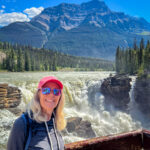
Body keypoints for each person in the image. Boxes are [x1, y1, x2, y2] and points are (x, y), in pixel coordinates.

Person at [7, 76, 66, 150]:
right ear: (38, 94)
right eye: (46, 90)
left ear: (60, 96)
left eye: (56, 91)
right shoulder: (22, 123)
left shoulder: (56, 121)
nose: (51, 94)